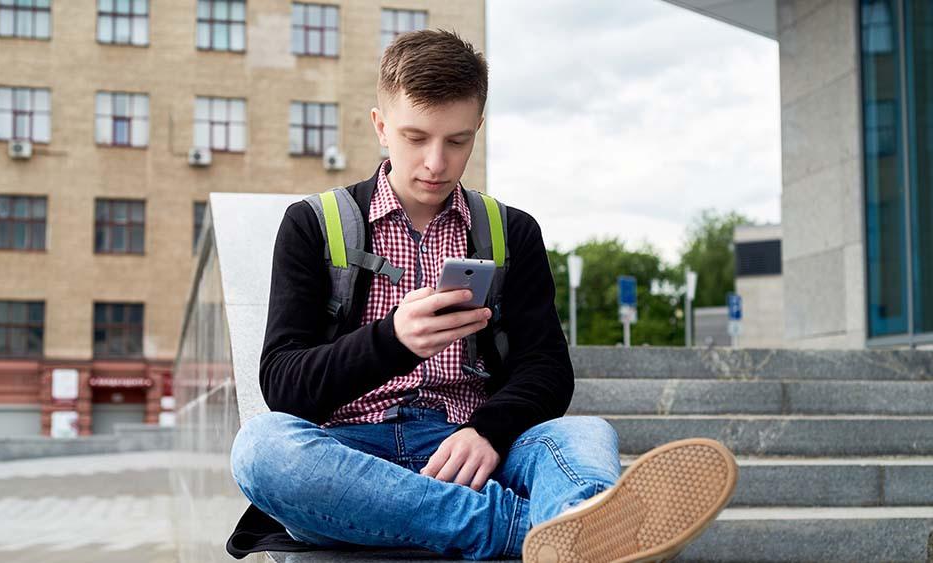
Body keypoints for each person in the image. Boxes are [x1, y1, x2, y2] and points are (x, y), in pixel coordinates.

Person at [227, 29, 737, 562]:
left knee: (585, 432)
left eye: (457, 140)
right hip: (353, 460)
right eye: (415, 137)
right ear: (380, 127)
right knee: (264, 450)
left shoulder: (510, 231)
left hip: (472, 444)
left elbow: (546, 369)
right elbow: (284, 384)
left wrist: (487, 431)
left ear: (478, 130)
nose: (436, 163)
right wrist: (394, 340)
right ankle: (552, 532)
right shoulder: (314, 224)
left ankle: (575, 520)